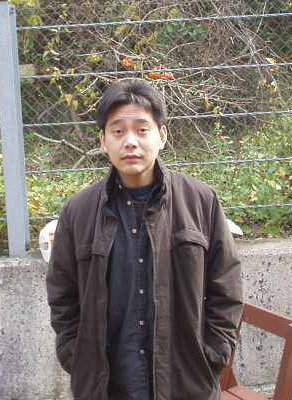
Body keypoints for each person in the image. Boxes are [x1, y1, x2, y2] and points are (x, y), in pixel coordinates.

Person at [46, 79, 243, 400]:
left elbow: (226, 287)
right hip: (106, 385)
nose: (130, 142)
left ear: (162, 136)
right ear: (103, 140)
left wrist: (214, 354)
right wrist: (74, 355)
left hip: (186, 381)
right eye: (118, 131)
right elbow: (62, 294)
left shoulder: (200, 201)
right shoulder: (78, 211)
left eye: (142, 129)